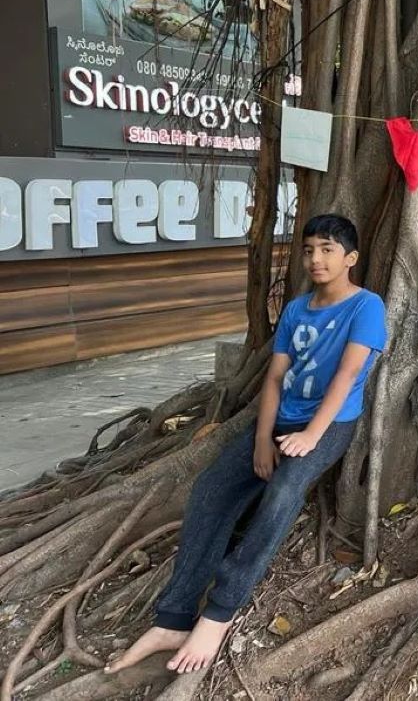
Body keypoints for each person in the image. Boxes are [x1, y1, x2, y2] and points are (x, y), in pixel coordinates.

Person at [107, 214, 387, 675]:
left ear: (350, 259)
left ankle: (218, 613)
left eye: (327, 250)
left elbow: (347, 375)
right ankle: (174, 616)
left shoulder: (366, 307)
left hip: (330, 425)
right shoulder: (297, 309)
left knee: (282, 494)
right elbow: (275, 377)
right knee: (210, 489)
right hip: (280, 420)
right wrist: (263, 439)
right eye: (309, 249)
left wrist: (311, 436)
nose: (316, 258)